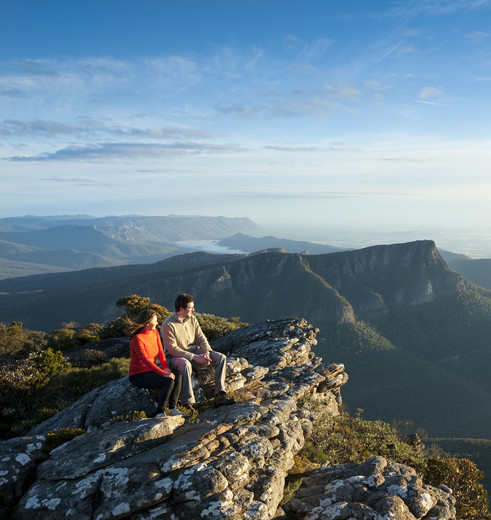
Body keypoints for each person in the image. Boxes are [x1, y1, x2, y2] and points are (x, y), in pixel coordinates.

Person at [161, 293, 235, 409]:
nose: (193, 310)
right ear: (181, 309)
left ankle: (219, 396)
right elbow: (172, 349)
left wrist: (206, 352)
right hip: (175, 357)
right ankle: (187, 403)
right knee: (185, 364)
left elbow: (201, 337)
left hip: (194, 352)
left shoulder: (192, 319)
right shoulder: (168, 324)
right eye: (190, 308)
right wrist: (195, 357)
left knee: (221, 358)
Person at [127, 309, 182, 418]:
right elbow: (145, 360)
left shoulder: (155, 332)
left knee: (178, 375)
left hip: (151, 370)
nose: (157, 323)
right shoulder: (137, 339)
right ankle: (160, 412)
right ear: (147, 323)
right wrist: (163, 373)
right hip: (138, 375)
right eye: (155, 321)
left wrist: (166, 368)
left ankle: (173, 408)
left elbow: (161, 352)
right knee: (168, 380)